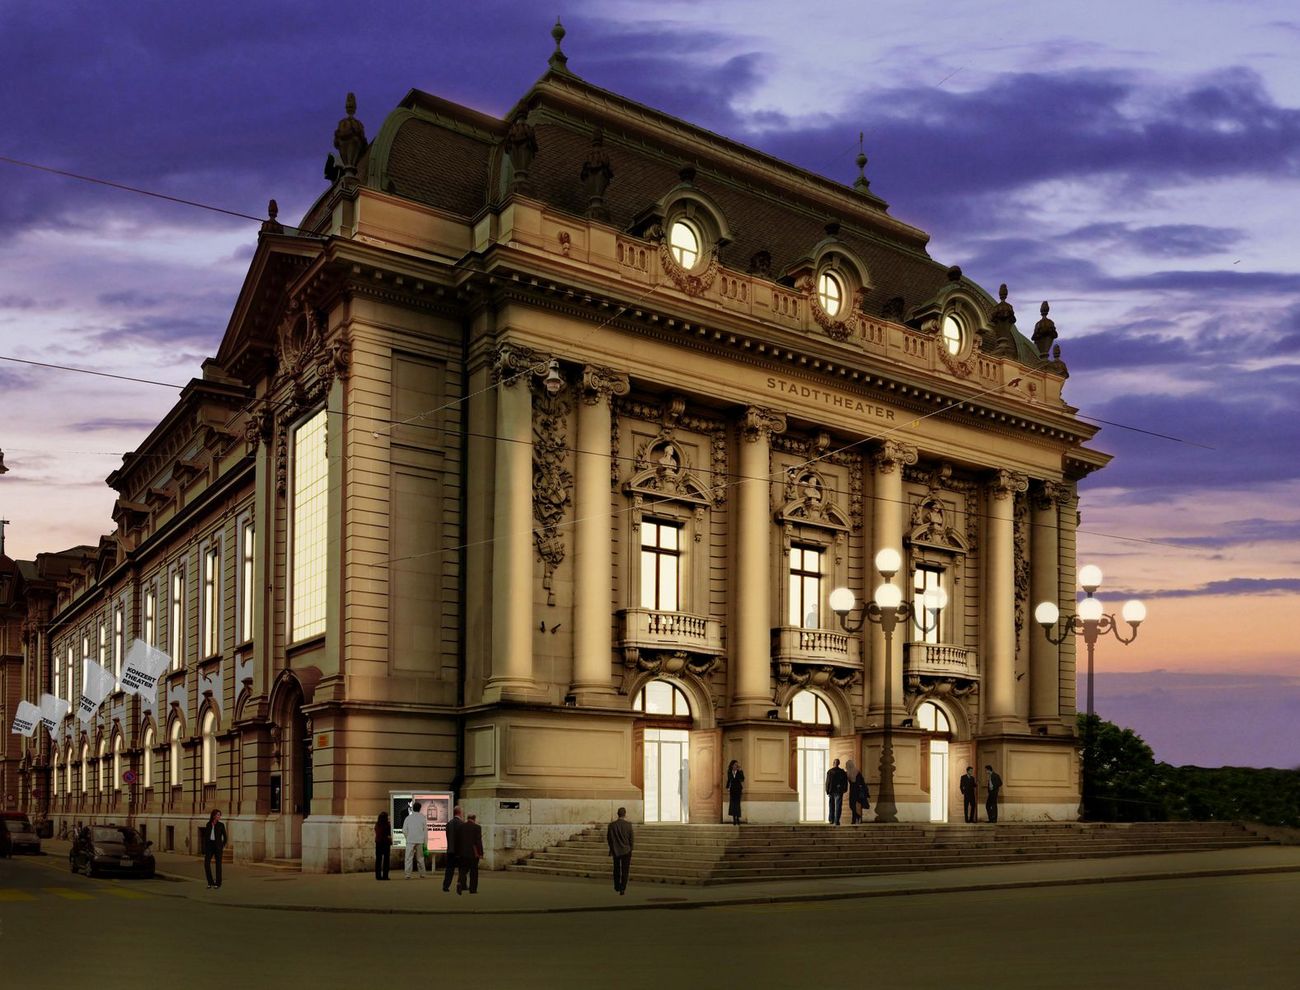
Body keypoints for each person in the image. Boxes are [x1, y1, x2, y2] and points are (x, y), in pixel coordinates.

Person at [606, 806, 634, 895]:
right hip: (626, 850)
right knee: (625, 870)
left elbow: (609, 838)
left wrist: (611, 848)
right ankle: (623, 888)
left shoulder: (612, 825)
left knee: (616, 869)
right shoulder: (628, 825)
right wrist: (631, 848)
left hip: (616, 850)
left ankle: (617, 886)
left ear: (617, 814)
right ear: (625, 814)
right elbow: (631, 839)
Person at [456, 813, 483, 894]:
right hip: (473, 853)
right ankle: (473, 889)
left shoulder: (461, 827)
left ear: (467, 818)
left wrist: (457, 852)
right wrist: (480, 853)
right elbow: (478, 841)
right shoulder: (477, 827)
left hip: (462, 853)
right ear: (474, 819)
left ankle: (460, 883)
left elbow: (458, 840)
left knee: (463, 870)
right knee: (474, 871)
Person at [402, 800, 427, 878]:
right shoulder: (423, 818)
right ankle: (422, 874)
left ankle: (407, 874)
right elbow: (425, 831)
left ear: (413, 808)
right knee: (420, 858)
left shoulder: (408, 818)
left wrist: (407, 837)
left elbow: (404, 830)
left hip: (410, 840)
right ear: (420, 809)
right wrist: (425, 842)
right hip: (420, 840)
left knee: (408, 858)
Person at [203, 809, 227, 889]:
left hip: (218, 847)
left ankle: (218, 883)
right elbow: (206, 836)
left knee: (218, 865)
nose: (219, 816)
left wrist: (222, 845)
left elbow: (225, 837)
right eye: (218, 815)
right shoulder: (208, 824)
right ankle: (210, 882)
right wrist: (205, 847)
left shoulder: (221, 825)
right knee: (206, 864)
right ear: (213, 816)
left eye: (220, 815)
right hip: (210, 846)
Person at [443, 805, 464, 892]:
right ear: (460, 813)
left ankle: (446, 886)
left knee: (449, 869)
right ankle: (460, 884)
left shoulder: (449, 823)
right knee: (462, 869)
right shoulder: (462, 824)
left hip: (450, 850)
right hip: (459, 851)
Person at [825, 757, 849, 826]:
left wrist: (827, 791)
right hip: (839, 791)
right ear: (839, 763)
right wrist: (844, 789)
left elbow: (827, 782)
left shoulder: (830, 771)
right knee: (838, 806)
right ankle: (836, 821)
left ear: (833, 763)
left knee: (831, 806)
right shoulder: (842, 772)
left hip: (831, 791)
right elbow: (845, 782)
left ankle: (831, 820)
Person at [725, 760, 744, 825]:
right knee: (732, 804)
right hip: (732, 790)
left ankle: (738, 818)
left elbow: (742, 779)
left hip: (738, 789)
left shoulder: (739, 771)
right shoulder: (729, 771)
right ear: (732, 765)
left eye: (737, 764)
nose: (736, 766)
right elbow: (729, 780)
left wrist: (741, 771)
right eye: (735, 764)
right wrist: (727, 787)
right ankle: (734, 819)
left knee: (737, 804)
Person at [374, 811, 392, 880]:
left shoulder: (377, 825)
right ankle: (385, 876)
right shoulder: (387, 825)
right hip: (386, 843)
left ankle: (378, 876)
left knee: (378, 860)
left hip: (378, 843)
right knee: (386, 860)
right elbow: (389, 834)